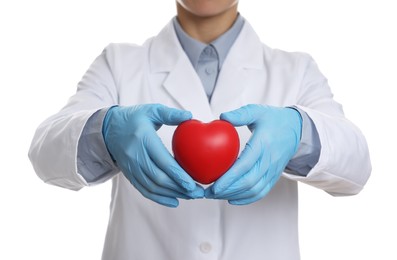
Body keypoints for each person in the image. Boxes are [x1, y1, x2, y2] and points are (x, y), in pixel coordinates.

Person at [28, 0, 371, 259]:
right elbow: (45, 154)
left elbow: (356, 166)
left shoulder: (296, 70)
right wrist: (104, 131)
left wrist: (300, 131)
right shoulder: (118, 64)